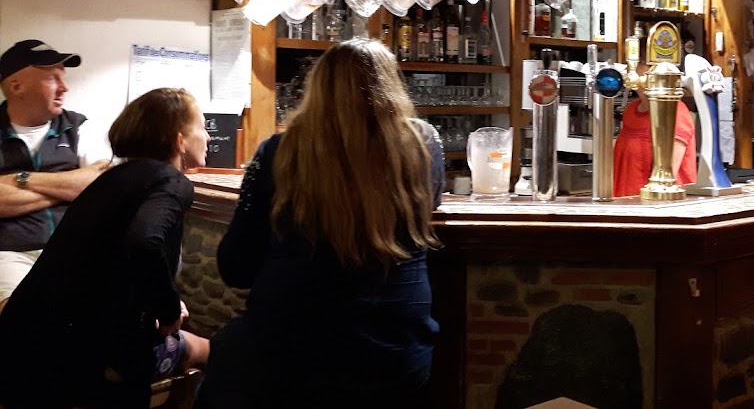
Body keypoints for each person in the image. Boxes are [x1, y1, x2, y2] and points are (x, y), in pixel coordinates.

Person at [196, 38, 444, 408]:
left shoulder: (278, 152)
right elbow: (429, 206)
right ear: (392, 86)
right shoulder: (425, 145)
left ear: (318, 86)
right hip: (397, 359)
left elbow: (236, 268)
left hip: (287, 357)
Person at [0, 87, 211, 408]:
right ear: (179, 140)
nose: (208, 137)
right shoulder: (170, 181)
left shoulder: (111, 180)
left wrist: (160, 300)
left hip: (20, 351)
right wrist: (167, 309)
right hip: (76, 362)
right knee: (209, 350)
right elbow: (144, 243)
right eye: (202, 126)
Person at [0, 39, 111, 313]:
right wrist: (70, 185)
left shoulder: (78, 126)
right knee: (20, 320)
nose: (65, 88)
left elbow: (102, 185)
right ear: (17, 87)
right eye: (53, 79)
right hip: (10, 253)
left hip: (78, 249)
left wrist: (20, 180)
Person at [613, 64, 697, 197]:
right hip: (627, 198)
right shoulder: (631, 110)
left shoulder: (674, 110)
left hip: (661, 200)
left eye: (639, 66)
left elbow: (669, 175)